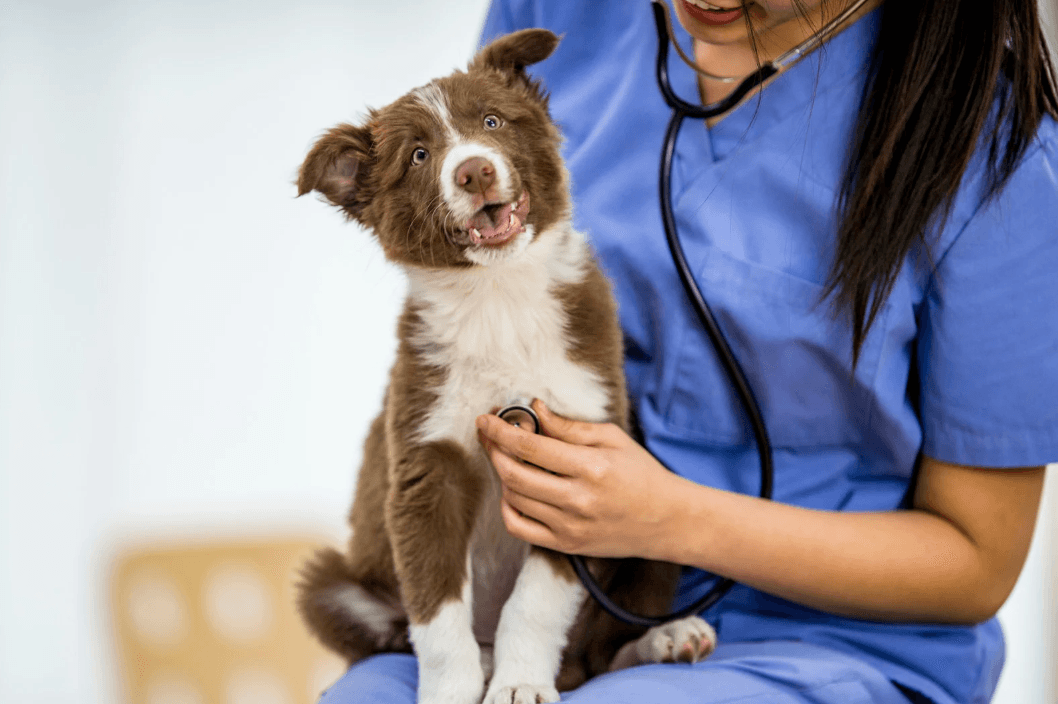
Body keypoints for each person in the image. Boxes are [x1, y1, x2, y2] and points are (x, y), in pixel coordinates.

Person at [321, 1, 1058, 702]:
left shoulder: (995, 153)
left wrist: (667, 517)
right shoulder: (560, 15)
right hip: (544, 606)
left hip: (824, 641)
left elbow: (976, 559)